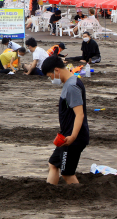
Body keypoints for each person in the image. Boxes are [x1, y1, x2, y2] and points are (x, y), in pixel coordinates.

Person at [41, 56, 89, 185]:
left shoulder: (72, 86)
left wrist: (73, 137)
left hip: (73, 137)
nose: (51, 79)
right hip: (66, 135)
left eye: (50, 76)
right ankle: (50, 193)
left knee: (67, 174)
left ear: (56, 70)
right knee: (53, 164)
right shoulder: (69, 83)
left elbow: (80, 115)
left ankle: (81, 201)